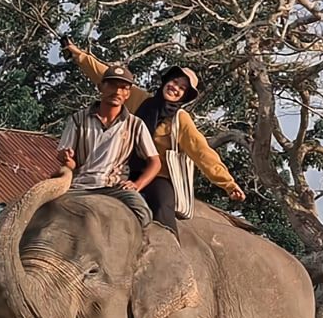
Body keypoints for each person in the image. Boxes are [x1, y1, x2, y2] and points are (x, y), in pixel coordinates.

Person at [61, 38, 246, 232]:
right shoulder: (140, 100)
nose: (175, 88)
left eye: (182, 88)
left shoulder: (180, 120)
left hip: (157, 176)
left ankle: (170, 253)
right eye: (174, 82)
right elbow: (105, 75)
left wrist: (228, 184)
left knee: (161, 207)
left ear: (184, 96)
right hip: (120, 168)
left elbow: (202, 153)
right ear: (166, 81)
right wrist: (78, 55)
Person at [56, 63, 161, 228]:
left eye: (123, 88)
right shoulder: (78, 119)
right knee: (46, 210)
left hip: (115, 186)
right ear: (100, 87)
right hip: (80, 184)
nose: (117, 91)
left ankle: (142, 253)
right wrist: (66, 158)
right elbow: (69, 162)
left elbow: (155, 162)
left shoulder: (135, 124)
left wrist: (136, 185)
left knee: (143, 214)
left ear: (128, 94)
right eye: (112, 85)